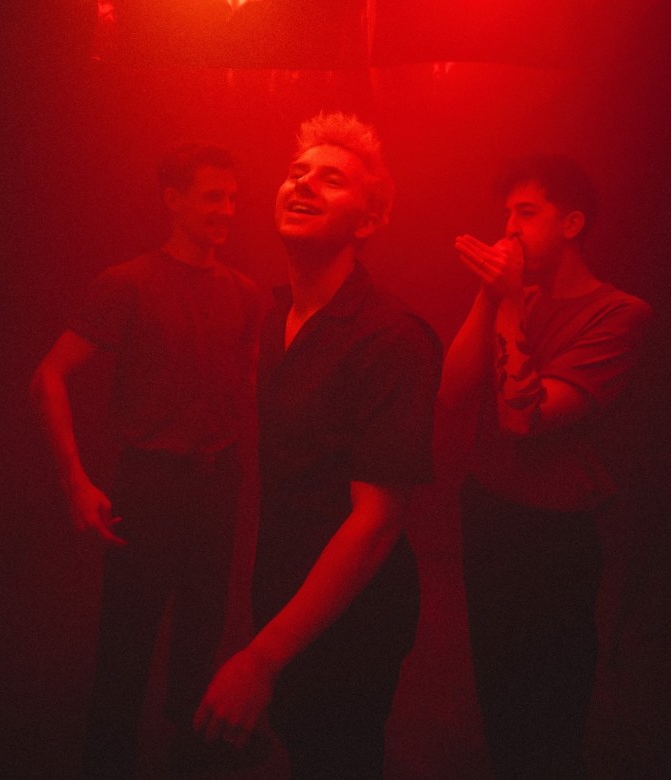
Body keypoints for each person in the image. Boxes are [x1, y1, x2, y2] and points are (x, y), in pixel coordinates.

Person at [193, 112, 442, 779]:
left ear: (368, 222)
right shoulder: (280, 316)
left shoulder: (392, 338)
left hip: (354, 623)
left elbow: (377, 522)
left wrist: (262, 659)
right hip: (283, 593)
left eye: (331, 180)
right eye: (297, 172)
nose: (303, 185)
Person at [30, 144, 260, 778]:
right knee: (126, 648)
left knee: (202, 637)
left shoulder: (243, 293)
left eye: (234, 198)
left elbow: (248, 390)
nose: (228, 210)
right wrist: (75, 482)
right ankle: (106, 763)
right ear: (173, 200)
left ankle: (189, 755)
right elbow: (48, 375)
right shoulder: (126, 282)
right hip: (152, 483)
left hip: (218, 481)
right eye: (214, 196)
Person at [439, 154, 652, 778]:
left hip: (555, 532)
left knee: (552, 708)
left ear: (572, 223)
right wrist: (490, 295)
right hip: (486, 509)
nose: (508, 230)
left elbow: (522, 418)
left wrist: (509, 307)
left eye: (525, 213)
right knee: (497, 690)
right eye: (505, 215)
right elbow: (452, 395)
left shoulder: (620, 314)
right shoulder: (512, 295)